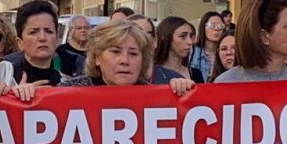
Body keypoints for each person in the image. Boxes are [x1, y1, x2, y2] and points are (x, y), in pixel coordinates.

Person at [59, 20, 193, 96]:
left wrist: (182, 93)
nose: (124, 60)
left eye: (133, 53)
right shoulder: (68, 92)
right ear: (97, 57)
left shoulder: (157, 94)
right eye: (116, 52)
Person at [2, 0, 84, 86]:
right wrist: (12, 93)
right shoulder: (3, 77)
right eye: (33, 32)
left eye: (49, 31)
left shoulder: (68, 84)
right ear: (20, 42)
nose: (42, 38)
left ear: (56, 39)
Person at [152, 16, 201, 84]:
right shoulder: (151, 73)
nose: (190, 42)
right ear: (166, 37)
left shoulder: (196, 73)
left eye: (190, 36)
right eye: (183, 36)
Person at [190, 11, 227, 82]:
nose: (216, 29)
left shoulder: (226, 53)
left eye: (220, 25)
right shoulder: (191, 52)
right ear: (203, 28)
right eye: (211, 25)